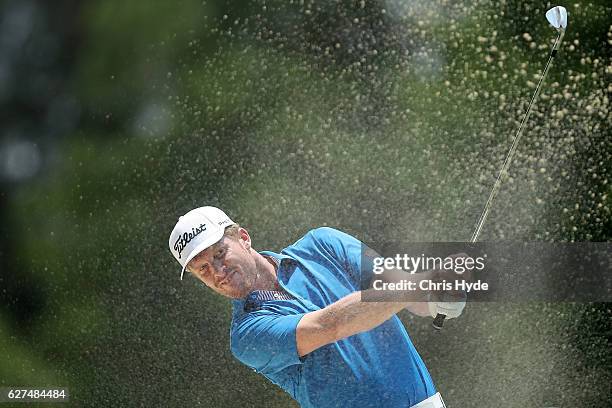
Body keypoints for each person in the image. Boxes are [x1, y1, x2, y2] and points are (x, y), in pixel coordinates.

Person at [168, 206, 466, 408]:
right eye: (203, 269)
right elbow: (328, 325)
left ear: (243, 238)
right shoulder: (247, 336)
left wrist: (441, 293)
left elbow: (408, 295)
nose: (217, 270)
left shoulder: (323, 244)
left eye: (220, 253)